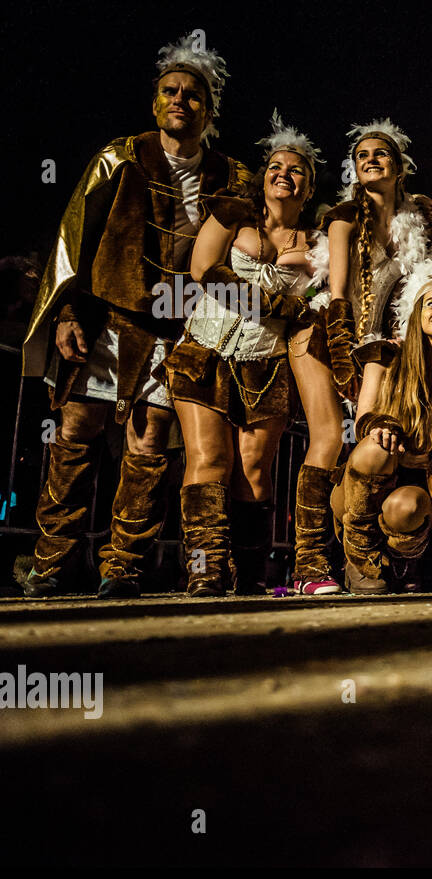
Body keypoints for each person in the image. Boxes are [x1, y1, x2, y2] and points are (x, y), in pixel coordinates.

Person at [22, 34, 250, 598]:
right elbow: (76, 240)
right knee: (74, 435)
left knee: (147, 448)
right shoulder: (118, 157)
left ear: (209, 110)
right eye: (170, 91)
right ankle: (50, 564)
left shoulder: (229, 175)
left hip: (176, 328)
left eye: (193, 95)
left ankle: (122, 567)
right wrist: (67, 313)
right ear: (155, 103)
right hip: (105, 318)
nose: (180, 100)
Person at [161, 112, 320, 596]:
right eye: (275, 165)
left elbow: (322, 306)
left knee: (252, 473)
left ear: (308, 187)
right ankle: (205, 571)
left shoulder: (318, 242)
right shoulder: (231, 213)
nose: (283, 174)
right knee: (209, 459)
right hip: (204, 353)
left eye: (296, 170)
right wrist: (282, 304)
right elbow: (204, 269)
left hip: (267, 364)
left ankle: (251, 575)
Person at [336, 264, 432, 594]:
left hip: (414, 483)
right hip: (368, 475)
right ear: (416, 312)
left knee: (409, 505)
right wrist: (383, 425)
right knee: (376, 447)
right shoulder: (384, 356)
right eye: (431, 303)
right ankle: (358, 561)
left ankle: (407, 562)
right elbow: (363, 420)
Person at [321, 118, 432, 420]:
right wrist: (341, 357)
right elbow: (337, 295)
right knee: (340, 440)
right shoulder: (344, 218)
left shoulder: (417, 222)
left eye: (381, 153)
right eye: (362, 155)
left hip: (392, 345)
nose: (371, 159)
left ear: (399, 169)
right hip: (342, 340)